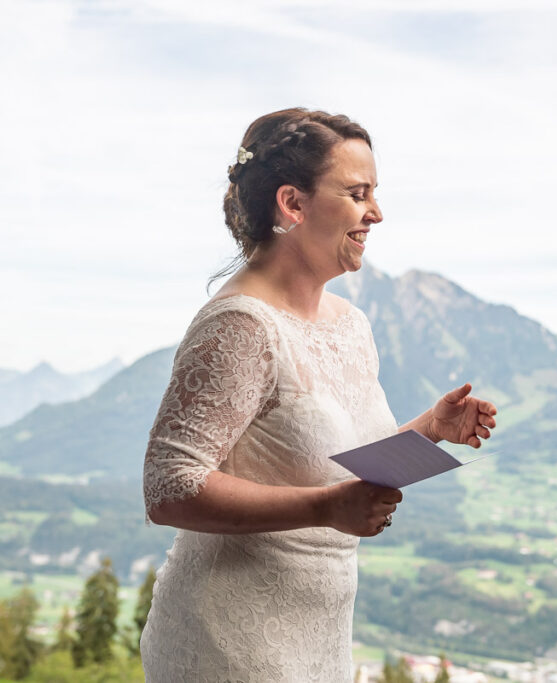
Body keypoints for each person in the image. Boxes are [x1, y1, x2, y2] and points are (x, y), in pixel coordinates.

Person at [140, 108, 497, 682]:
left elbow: (334, 462)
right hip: (227, 643)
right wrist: (325, 509)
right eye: (358, 194)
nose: (376, 213)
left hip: (320, 639)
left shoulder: (349, 323)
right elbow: (169, 486)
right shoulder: (240, 324)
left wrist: (430, 427)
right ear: (294, 204)